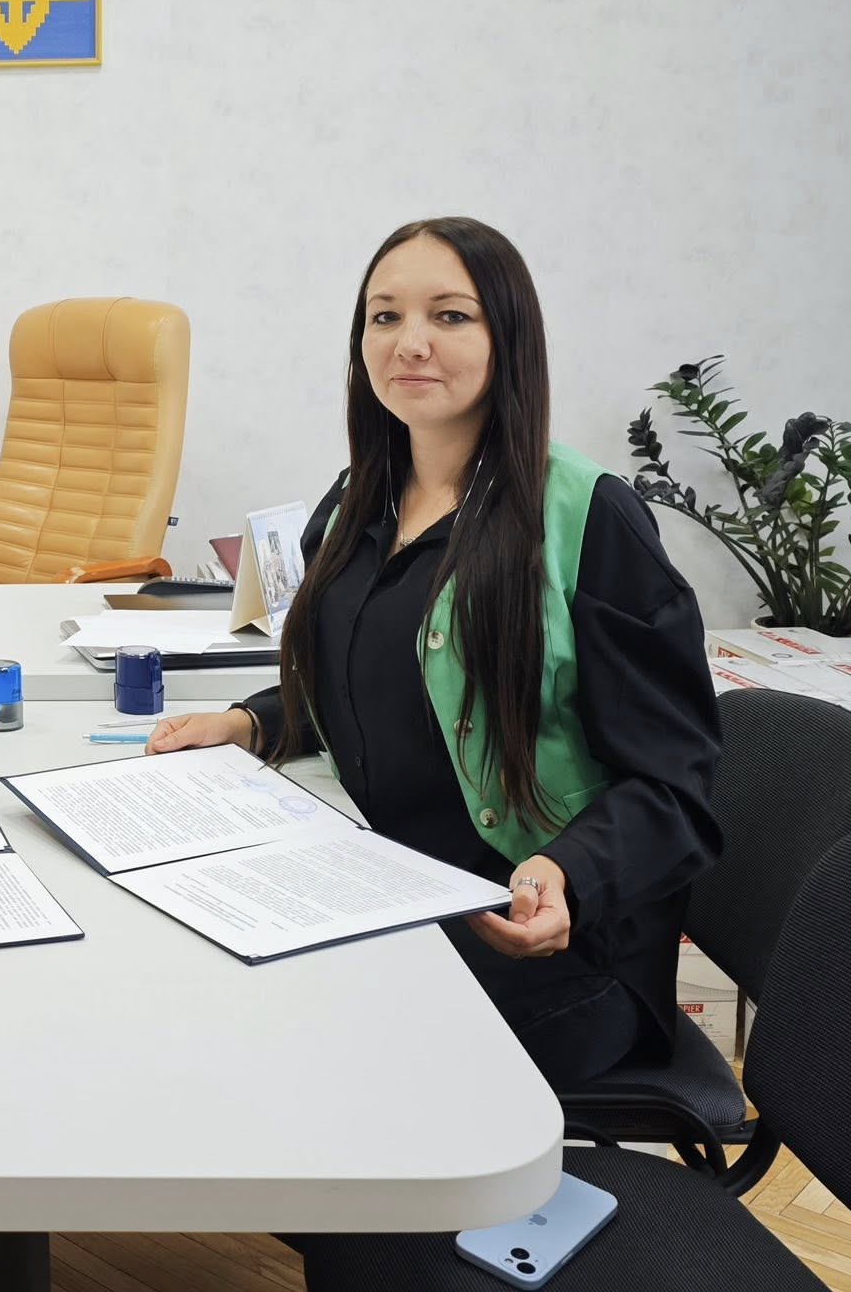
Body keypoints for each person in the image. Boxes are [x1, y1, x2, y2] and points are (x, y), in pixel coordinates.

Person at [149, 217, 722, 1090]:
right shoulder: (355, 500)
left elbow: (678, 785)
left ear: (508, 337)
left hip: (545, 942)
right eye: (385, 316)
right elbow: (372, 684)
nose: (410, 342)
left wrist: (568, 873)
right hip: (382, 886)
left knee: (288, 1068)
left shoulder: (588, 515)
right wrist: (252, 723)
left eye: (450, 316)